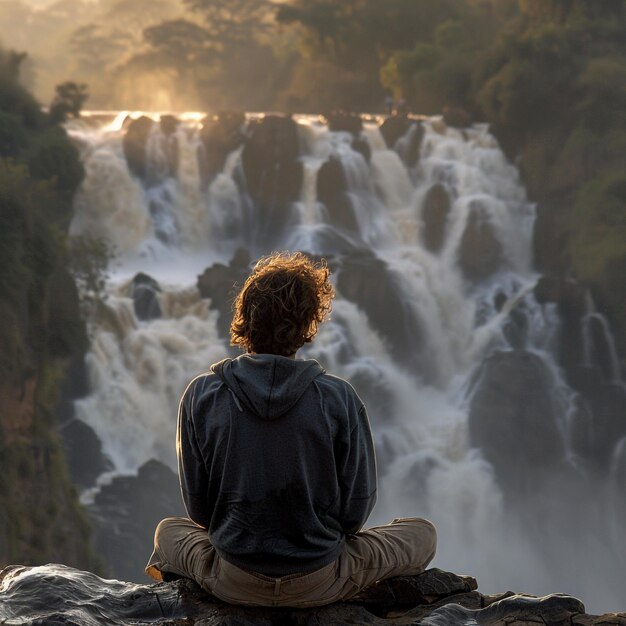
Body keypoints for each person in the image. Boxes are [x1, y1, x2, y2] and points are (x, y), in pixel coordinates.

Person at [146, 251, 436, 607]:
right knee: (422, 533)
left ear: (245, 318)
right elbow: (355, 515)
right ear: (308, 324)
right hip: (320, 581)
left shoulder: (199, 395)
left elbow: (200, 512)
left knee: (167, 531)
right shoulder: (339, 397)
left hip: (232, 579)